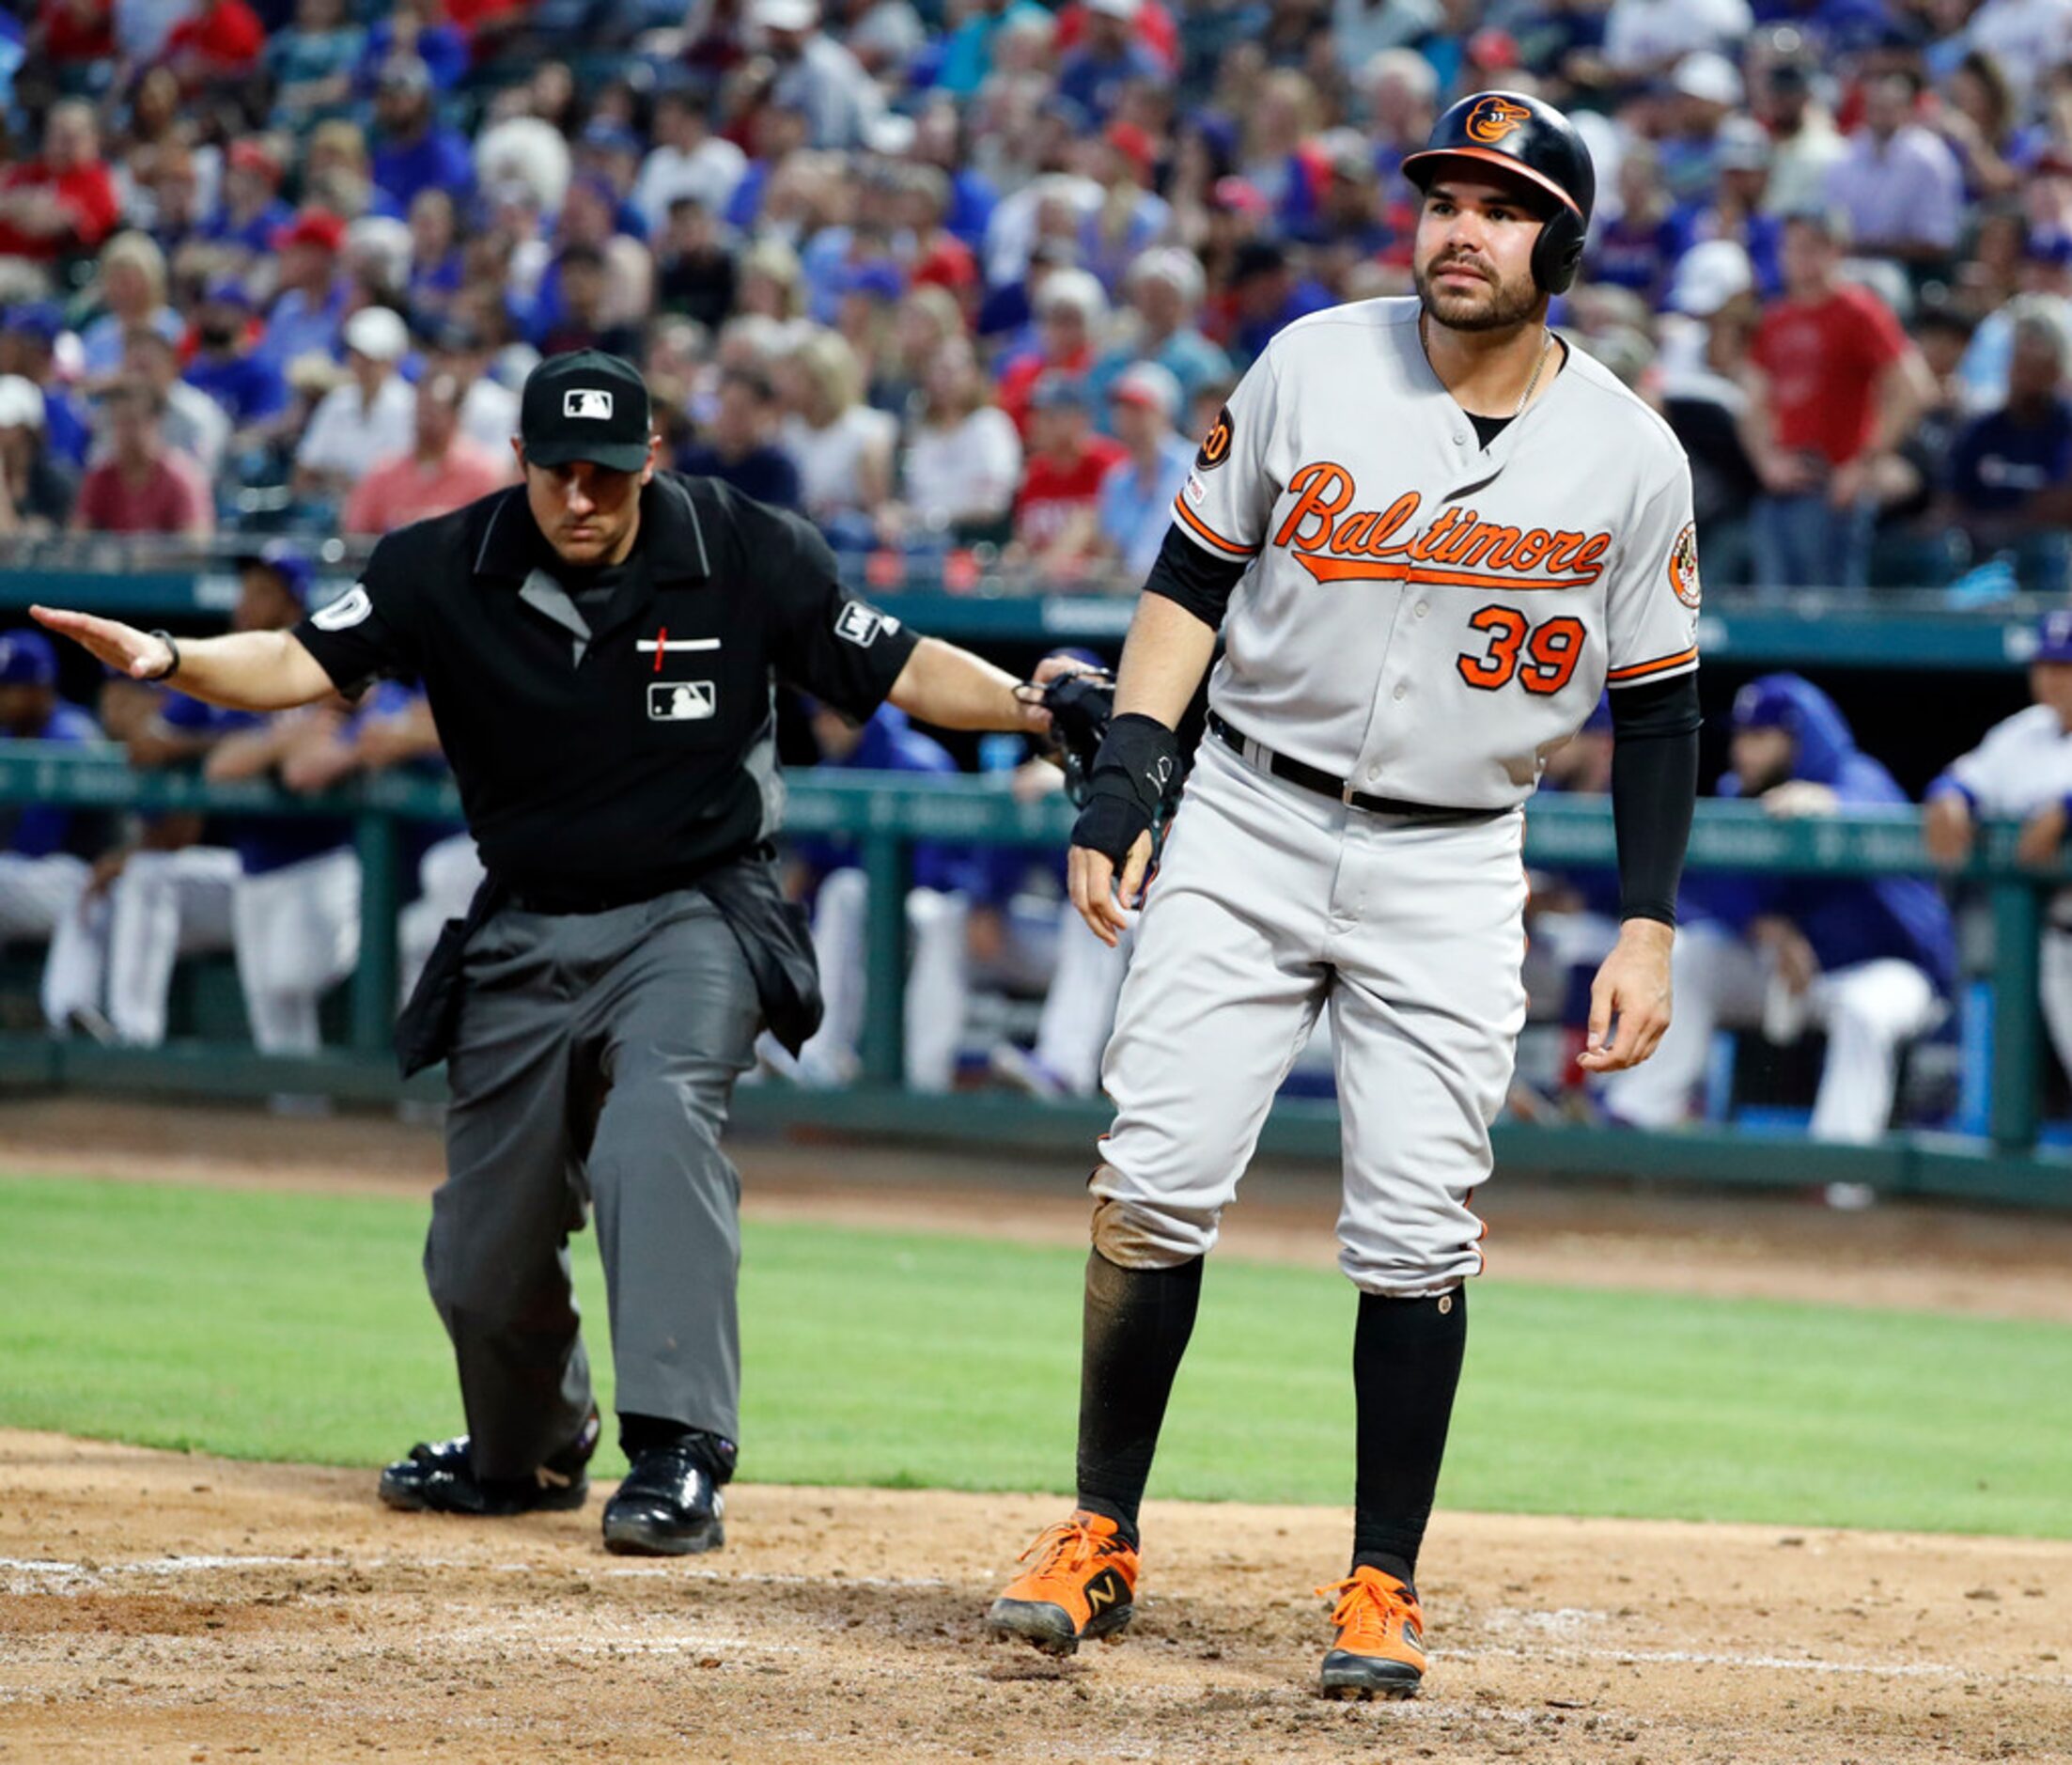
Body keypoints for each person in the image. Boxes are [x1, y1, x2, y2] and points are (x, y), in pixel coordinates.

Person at [34, 349, 1068, 1555]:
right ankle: (526, 1451)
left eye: (610, 475)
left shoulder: (741, 547)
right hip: (524, 921)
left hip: (695, 909)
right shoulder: (444, 561)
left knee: (655, 1131)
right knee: (483, 1249)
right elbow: (304, 661)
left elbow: (898, 664)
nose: (584, 498)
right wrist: (175, 660)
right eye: (560, 472)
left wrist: (1038, 707)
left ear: (651, 462)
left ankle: (682, 1449)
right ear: (519, 461)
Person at [983, 93, 1703, 1698]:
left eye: (1503, 206)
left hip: (1453, 852)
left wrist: (1646, 919)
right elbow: (1189, 579)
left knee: (1416, 1218)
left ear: (1558, 242)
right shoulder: (1310, 361)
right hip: (1248, 805)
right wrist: (1128, 779)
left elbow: (1659, 704)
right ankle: (1100, 1525)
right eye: (1445, 196)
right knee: (1154, 1172)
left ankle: (1382, 1575)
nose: (1461, 226)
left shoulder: (1631, 452)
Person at [1602, 675, 1954, 1146]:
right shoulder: (1739, 794)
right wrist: (1762, 925)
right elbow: (1703, 886)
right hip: (1786, 970)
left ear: (1799, 740)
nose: (1743, 750)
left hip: (1880, 970)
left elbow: (1878, 810)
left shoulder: (1855, 779)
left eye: (1761, 737)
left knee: (1865, 1012)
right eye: (1742, 735)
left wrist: (1834, 805)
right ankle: (1638, 1119)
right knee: (1692, 955)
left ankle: (1838, 1165)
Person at [1741, 209, 1934, 592]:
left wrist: (1862, 465)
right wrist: (1766, 461)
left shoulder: (1859, 311)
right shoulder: (1777, 316)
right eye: (1790, 248)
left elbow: (1915, 389)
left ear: (1835, 252)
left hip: (1833, 486)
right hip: (1785, 483)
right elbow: (1753, 403)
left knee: (1830, 615)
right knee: (1775, 610)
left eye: (1810, 248)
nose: (1797, 258)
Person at [1924, 610, 2072, 1085]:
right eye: (2047, 665)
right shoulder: (2022, 734)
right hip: (2058, 937)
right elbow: (1963, 780)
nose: (2054, 679)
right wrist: (1947, 796)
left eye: (2067, 667)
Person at [0, 630, 108, 1033]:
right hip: (30, 880)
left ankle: (68, 1019)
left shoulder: (72, 734)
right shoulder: (11, 734)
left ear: (37, 689)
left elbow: (36, 839)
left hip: (81, 877)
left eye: (7, 688)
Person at [344, 371, 511, 536]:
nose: (425, 416)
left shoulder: (484, 474)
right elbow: (357, 533)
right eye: (421, 407)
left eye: (435, 409)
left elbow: (492, 538)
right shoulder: (385, 471)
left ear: (456, 415)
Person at [293, 306, 417, 504]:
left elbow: (402, 483)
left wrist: (352, 485)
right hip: (328, 513)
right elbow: (304, 471)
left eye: (372, 359)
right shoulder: (338, 401)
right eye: (358, 355)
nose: (361, 364)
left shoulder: (409, 408)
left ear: (392, 361)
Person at [70, 379, 213, 539]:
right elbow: (78, 539)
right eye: (119, 422)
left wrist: (148, 556)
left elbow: (196, 544)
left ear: (155, 421)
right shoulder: (101, 477)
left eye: (134, 421)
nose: (126, 431)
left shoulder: (181, 477)